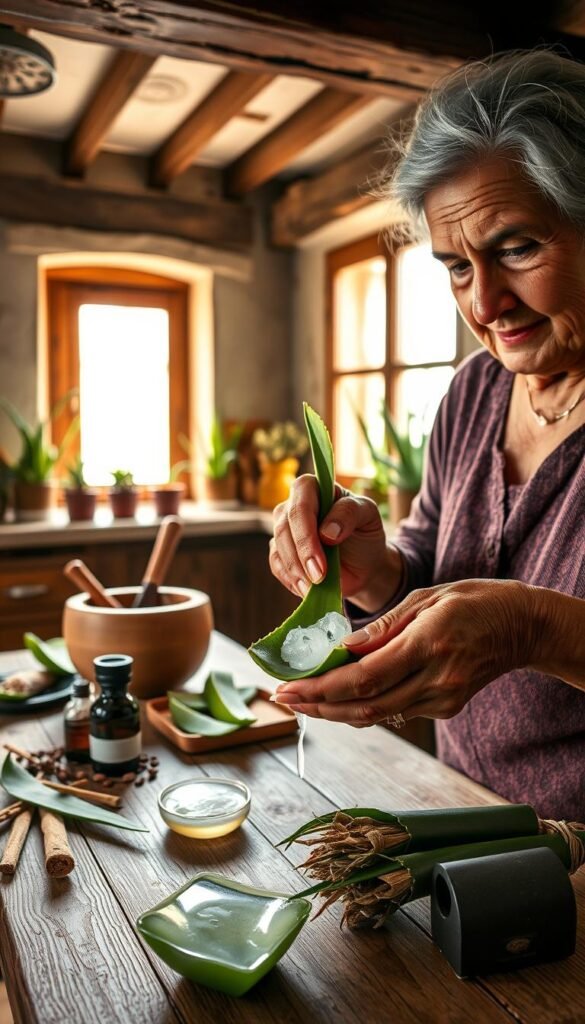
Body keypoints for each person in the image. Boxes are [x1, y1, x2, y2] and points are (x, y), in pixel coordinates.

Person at [269, 50, 585, 821]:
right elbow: (427, 583)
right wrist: (366, 567)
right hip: (468, 819)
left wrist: (529, 627)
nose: (485, 304)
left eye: (516, 247)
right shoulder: (473, 393)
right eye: (453, 267)